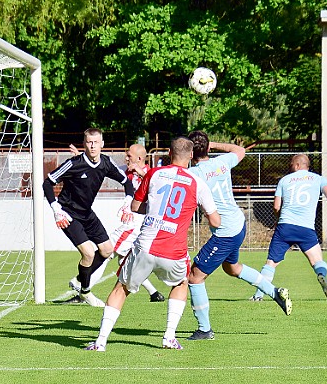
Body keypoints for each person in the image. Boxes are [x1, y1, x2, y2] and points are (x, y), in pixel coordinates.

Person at [84, 136, 221, 351]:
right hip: (174, 251)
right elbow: (215, 221)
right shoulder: (198, 183)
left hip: (146, 245)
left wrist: (157, 212)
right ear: (192, 155)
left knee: (121, 288)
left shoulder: (154, 174)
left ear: (168, 153)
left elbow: (136, 206)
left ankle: (100, 342)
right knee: (181, 283)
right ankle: (168, 337)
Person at [186, 130, 292, 341]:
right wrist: (213, 144)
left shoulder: (194, 175)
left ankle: (204, 329)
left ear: (190, 153)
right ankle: (274, 292)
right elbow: (239, 150)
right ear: (207, 149)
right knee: (232, 268)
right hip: (237, 223)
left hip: (225, 232)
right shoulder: (222, 162)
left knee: (194, 277)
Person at [43, 128, 135, 307]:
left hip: (87, 213)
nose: (92, 146)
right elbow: (47, 183)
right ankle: (85, 292)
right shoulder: (74, 163)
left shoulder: (106, 163)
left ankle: (80, 280)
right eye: (89, 142)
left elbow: (127, 182)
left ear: (102, 144)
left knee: (107, 250)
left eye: (96, 142)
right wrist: (56, 209)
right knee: (88, 253)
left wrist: (127, 202)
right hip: (68, 213)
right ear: (84, 144)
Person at [66, 143, 165, 303]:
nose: (126, 158)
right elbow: (100, 167)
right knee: (124, 260)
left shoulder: (151, 174)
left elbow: (157, 190)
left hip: (134, 225)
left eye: (129, 156)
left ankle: (82, 285)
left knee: (106, 252)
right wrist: (80, 158)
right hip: (132, 225)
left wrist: (140, 174)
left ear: (139, 158)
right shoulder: (126, 171)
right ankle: (154, 293)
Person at [250, 154, 327, 301]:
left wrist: (278, 218)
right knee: (317, 261)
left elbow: (276, 206)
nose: (290, 166)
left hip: (285, 226)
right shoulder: (318, 179)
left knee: (271, 263)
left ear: (298, 165)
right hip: (306, 229)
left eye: (292, 164)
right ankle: (321, 276)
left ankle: (258, 296)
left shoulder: (284, 180)